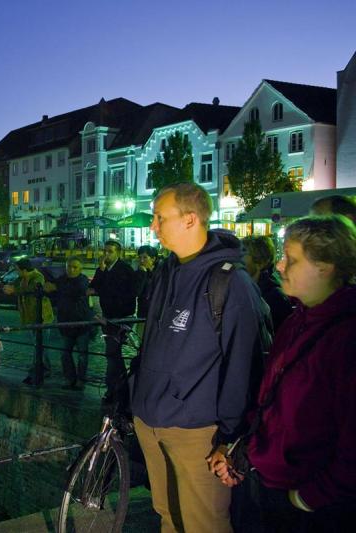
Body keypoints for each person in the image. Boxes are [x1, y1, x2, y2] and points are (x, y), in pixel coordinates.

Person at [130, 182, 265, 533]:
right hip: (151, 420)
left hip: (196, 430)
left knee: (204, 523)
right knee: (168, 515)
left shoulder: (231, 283)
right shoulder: (166, 271)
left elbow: (242, 365)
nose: (153, 227)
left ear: (190, 220)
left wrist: (230, 436)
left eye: (160, 217)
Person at [213, 215, 356, 532]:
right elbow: (271, 399)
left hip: (311, 504)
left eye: (291, 259)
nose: (279, 266)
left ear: (325, 266)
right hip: (271, 483)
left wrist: (309, 497)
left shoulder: (346, 336)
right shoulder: (296, 321)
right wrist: (242, 452)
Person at [88, 239, 137, 402]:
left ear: (118, 253)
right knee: (114, 354)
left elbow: (118, 293)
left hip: (119, 317)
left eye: (110, 251)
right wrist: (101, 271)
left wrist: (112, 319)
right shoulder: (104, 269)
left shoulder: (124, 270)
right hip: (108, 316)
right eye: (105, 251)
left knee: (112, 352)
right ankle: (121, 387)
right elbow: (94, 286)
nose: (106, 254)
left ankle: (115, 389)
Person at [44, 257, 97, 390]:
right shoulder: (62, 280)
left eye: (75, 267)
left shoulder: (83, 280)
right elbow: (54, 294)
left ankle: (81, 380)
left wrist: (56, 287)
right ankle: (69, 378)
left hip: (81, 323)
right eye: (69, 267)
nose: (71, 270)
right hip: (65, 323)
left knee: (82, 355)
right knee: (65, 353)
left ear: (80, 269)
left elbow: (77, 290)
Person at [3, 258, 54, 385]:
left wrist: (14, 290)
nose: (16, 272)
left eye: (17, 269)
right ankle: (43, 369)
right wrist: (8, 288)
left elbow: (31, 289)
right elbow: (15, 285)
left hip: (41, 317)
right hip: (30, 317)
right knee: (38, 345)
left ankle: (38, 371)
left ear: (24, 270)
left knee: (40, 345)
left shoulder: (37, 277)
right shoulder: (22, 278)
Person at [241, 235, 293, 331]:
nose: (238, 259)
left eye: (243, 254)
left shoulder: (275, 297)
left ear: (260, 263)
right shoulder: (247, 289)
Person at [134, 244, 160, 338]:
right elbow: (137, 292)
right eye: (140, 257)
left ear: (153, 259)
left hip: (157, 315)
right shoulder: (139, 273)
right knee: (142, 341)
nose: (141, 260)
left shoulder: (161, 273)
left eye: (145, 257)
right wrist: (142, 274)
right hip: (143, 314)